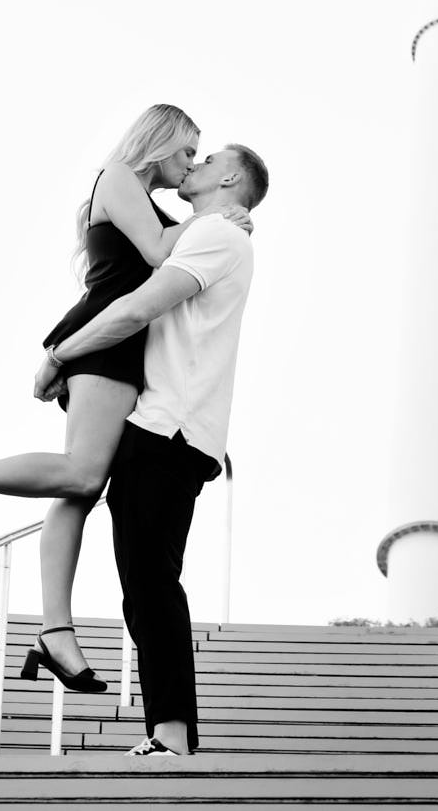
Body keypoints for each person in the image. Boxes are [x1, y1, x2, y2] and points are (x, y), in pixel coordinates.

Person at [0, 103, 251, 693]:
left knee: (78, 486)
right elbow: (161, 254)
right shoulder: (117, 178)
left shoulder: (150, 202)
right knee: (82, 476)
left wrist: (214, 218)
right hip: (103, 341)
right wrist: (219, 216)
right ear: (158, 143)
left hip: (118, 347)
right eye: (188, 151)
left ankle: (55, 632)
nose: (191, 164)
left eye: (200, 158)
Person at [33, 142, 268, 758]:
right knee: (140, 575)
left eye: (207, 155)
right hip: (166, 427)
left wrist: (61, 354)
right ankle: (166, 728)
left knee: (150, 583)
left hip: (170, 431)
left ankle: (171, 735)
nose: (195, 161)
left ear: (231, 176)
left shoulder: (219, 236)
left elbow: (139, 307)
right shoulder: (207, 230)